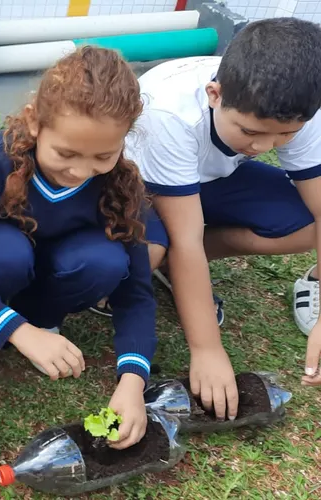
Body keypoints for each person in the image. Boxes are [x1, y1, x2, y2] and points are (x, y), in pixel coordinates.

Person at [0, 46, 158, 450]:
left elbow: (136, 293)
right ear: (34, 121)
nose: (81, 170)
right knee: (4, 251)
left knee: (107, 260)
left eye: (103, 155)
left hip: (54, 280)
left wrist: (133, 382)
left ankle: (44, 321)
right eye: (66, 153)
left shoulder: (122, 186)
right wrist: (17, 331)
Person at [125, 17, 321, 418]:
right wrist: (207, 350)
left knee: (308, 226)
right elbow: (187, 237)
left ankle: (176, 270)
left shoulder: (302, 104)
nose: (264, 146)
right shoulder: (169, 113)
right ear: (214, 94)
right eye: (249, 132)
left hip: (208, 180)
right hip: (141, 186)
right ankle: (161, 264)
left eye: (284, 135)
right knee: (150, 252)